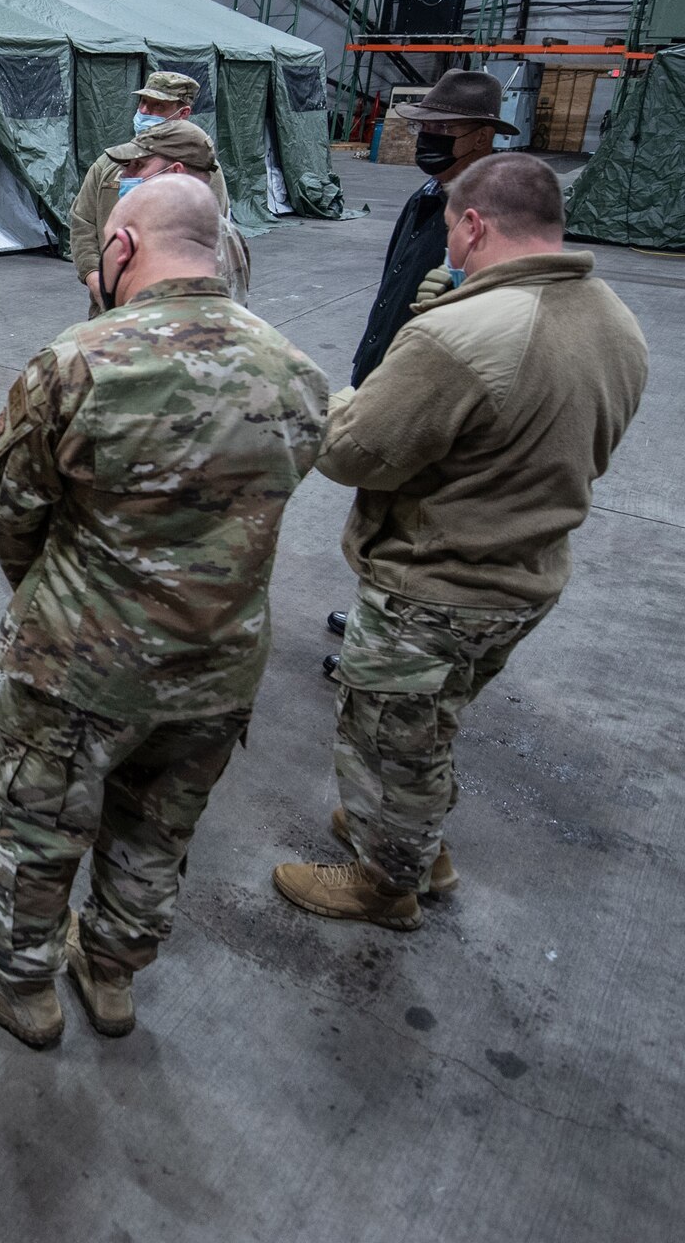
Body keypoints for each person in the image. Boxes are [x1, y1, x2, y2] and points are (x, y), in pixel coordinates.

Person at [0, 176, 327, 1045]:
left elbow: (15, 515)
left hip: (83, 663)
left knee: (33, 826)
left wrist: (59, 602)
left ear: (120, 247)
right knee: (157, 831)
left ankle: (24, 993)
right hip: (221, 666)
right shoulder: (298, 373)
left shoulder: (77, 363)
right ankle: (111, 978)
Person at [274, 154, 645, 929]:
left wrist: (338, 397)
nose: (448, 244)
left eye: (450, 229)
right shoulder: (614, 319)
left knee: (388, 741)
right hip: (525, 575)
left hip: (434, 587)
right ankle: (415, 841)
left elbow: (353, 451)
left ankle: (387, 884)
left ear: (473, 224)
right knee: (432, 722)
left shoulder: (461, 336)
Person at [325, 69, 518, 662]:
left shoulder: (488, 209)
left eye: (443, 128)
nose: (427, 137)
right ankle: (372, 617)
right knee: (380, 513)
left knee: (414, 527)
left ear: (482, 136)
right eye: (425, 126)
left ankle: (388, 653)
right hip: (389, 367)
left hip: (432, 385)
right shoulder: (431, 192)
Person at [69, 70, 215, 311]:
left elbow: (209, 243)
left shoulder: (201, 172)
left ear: (183, 113)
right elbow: (82, 221)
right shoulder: (108, 162)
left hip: (174, 312)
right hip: (109, 309)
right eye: (143, 103)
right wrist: (95, 279)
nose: (145, 112)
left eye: (158, 106)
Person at [90, 119, 246, 303]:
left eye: (138, 165)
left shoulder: (152, 237)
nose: (125, 176)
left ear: (175, 172)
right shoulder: (230, 235)